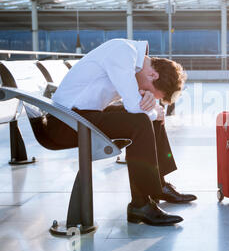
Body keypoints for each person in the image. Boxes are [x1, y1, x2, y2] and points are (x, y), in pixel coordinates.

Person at [51, 38, 196, 226]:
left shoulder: (132, 60)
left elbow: (133, 105)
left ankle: (158, 185)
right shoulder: (123, 52)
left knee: (150, 117)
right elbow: (134, 107)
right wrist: (152, 109)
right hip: (64, 122)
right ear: (153, 75)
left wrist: (152, 108)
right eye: (147, 89)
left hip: (80, 115)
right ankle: (140, 204)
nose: (143, 91)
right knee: (141, 121)